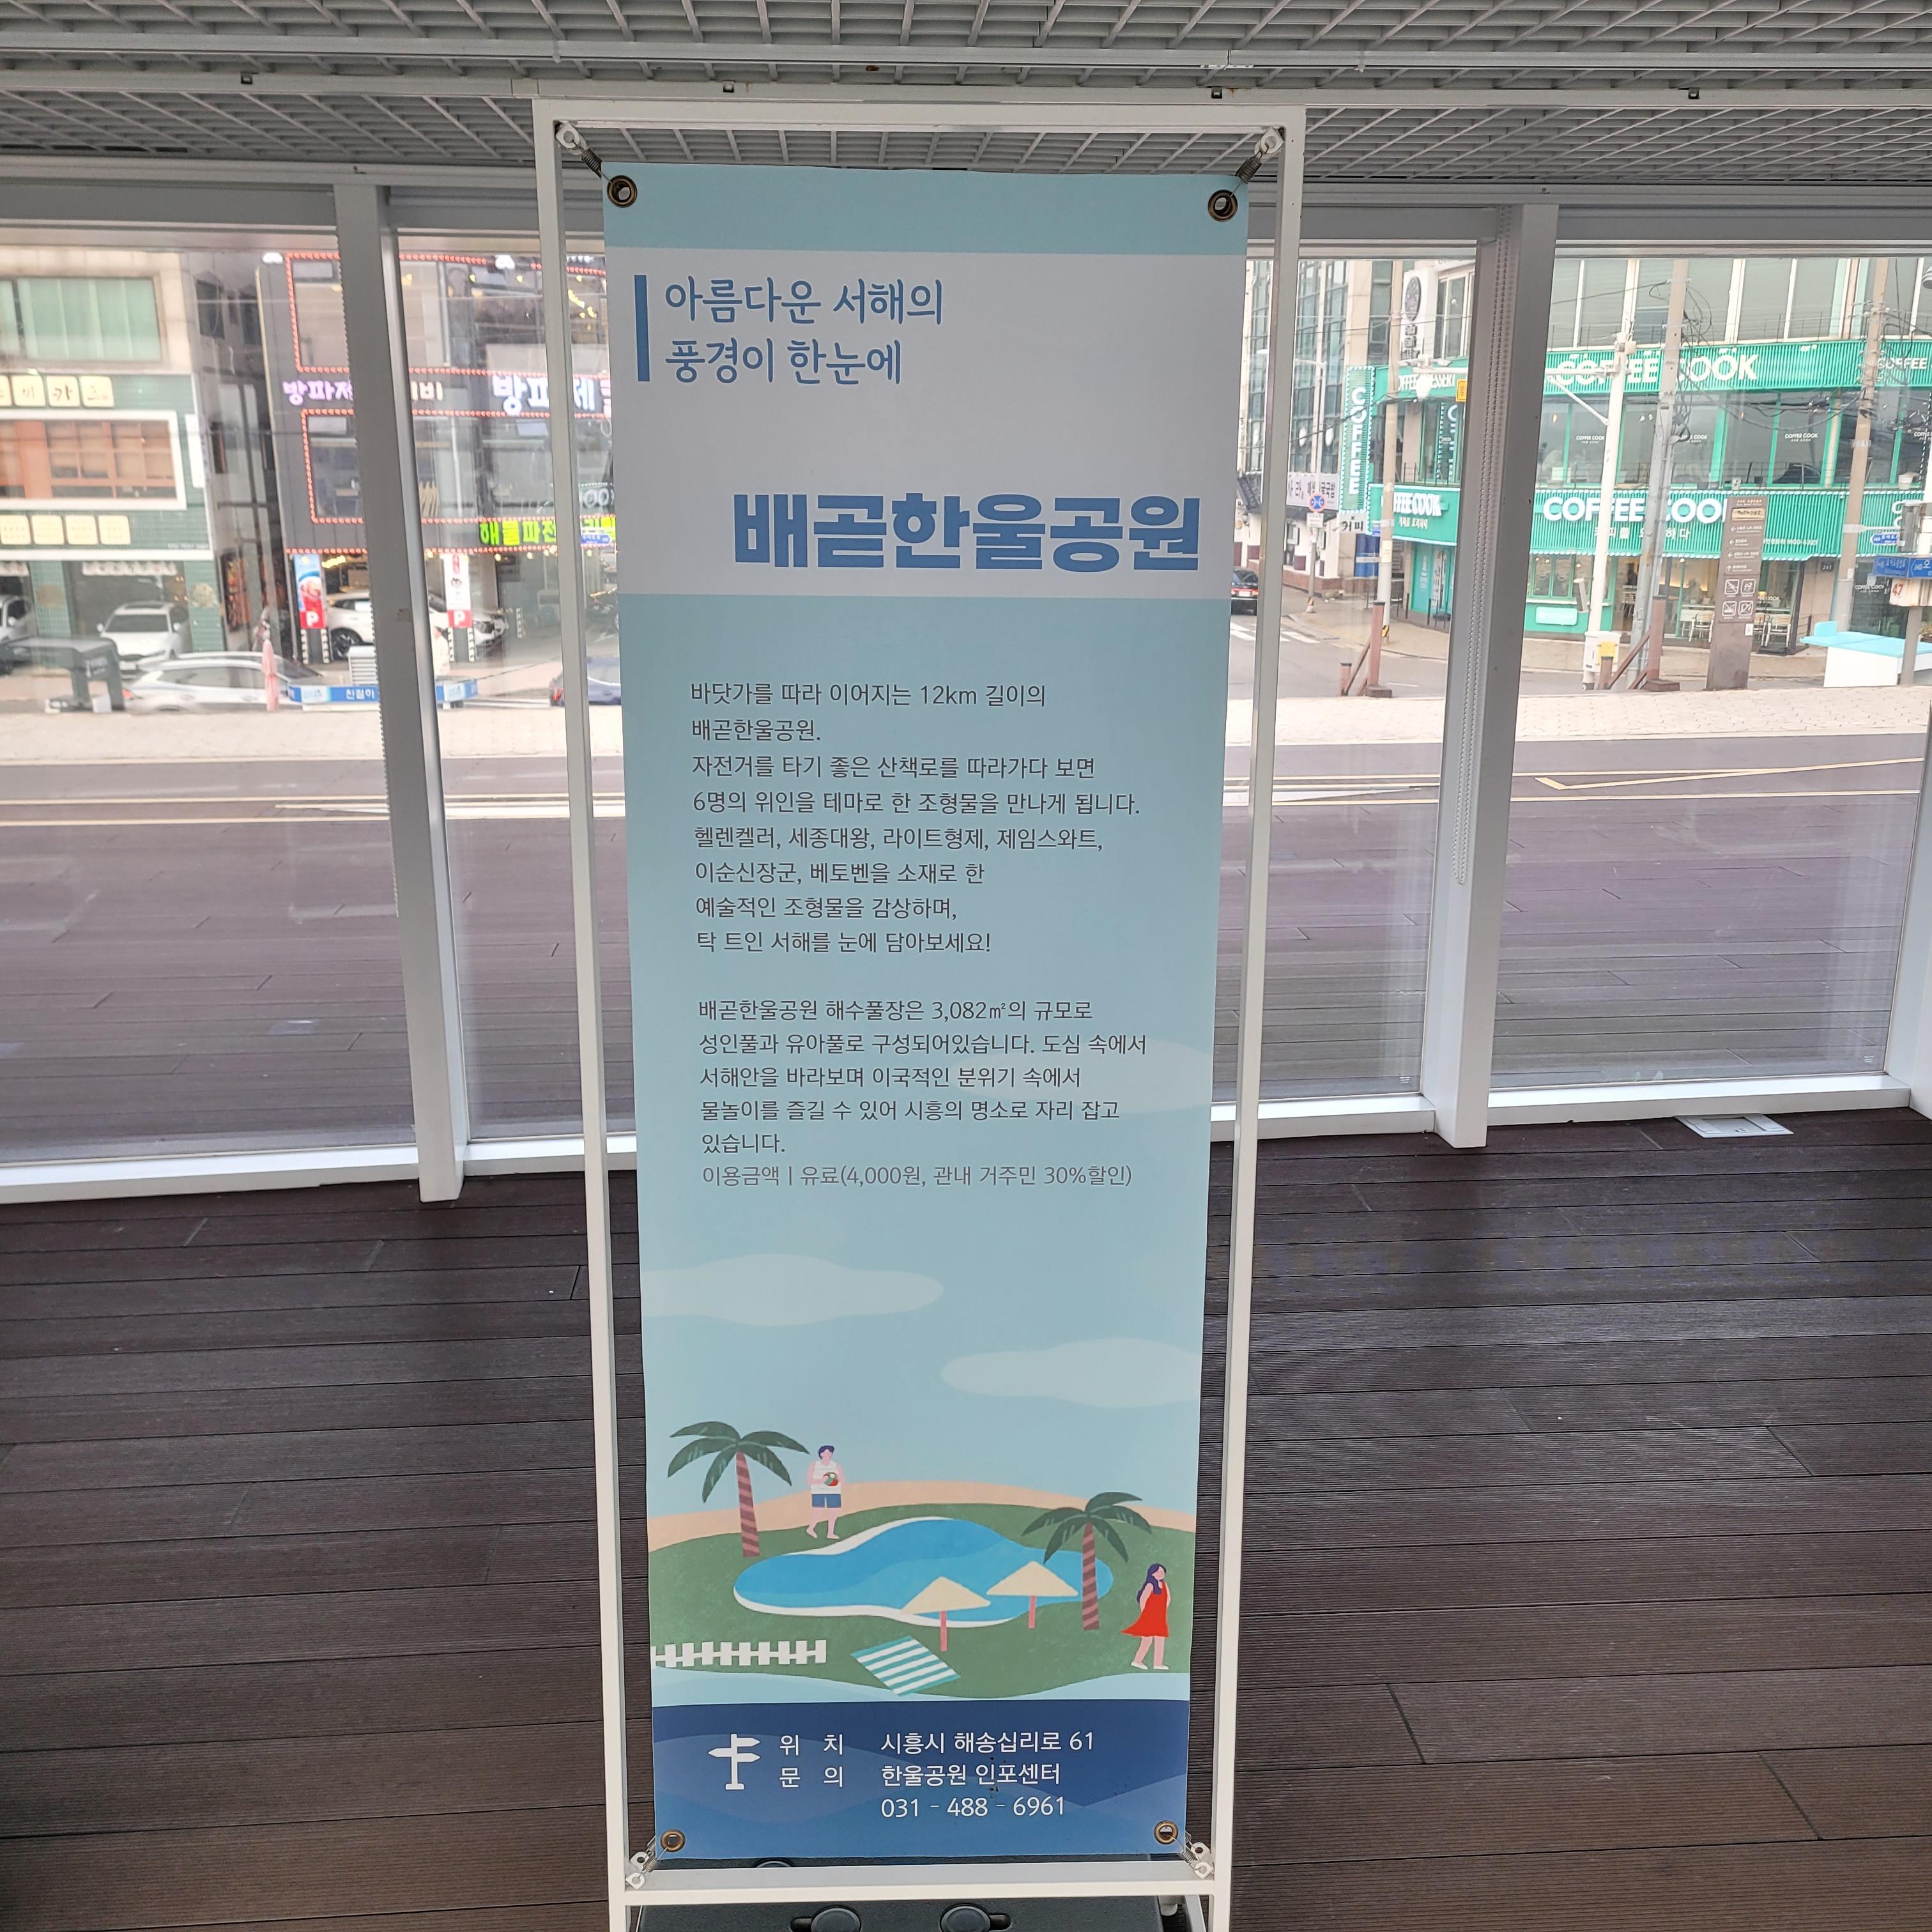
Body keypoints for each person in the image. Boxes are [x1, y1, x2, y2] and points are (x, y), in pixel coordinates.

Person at [1123, 1562, 1169, 1669]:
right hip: (1150, 1616)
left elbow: (1168, 1599)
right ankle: (1137, 1661)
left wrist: (1163, 1610)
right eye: (1158, 1572)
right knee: (1147, 1640)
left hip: (1160, 1617)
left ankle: (1158, 1663)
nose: (1160, 1574)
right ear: (1152, 1574)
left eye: (1162, 1572)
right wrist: (1145, 1613)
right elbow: (1143, 1599)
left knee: (1160, 1639)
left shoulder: (1164, 1585)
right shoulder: (1150, 1585)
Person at [805, 1444, 844, 1540]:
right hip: (818, 1491)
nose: (827, 1455)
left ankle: (830, 1533)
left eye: (830, 1453)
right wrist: (821, 1481)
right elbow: (809, 1481)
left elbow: (842, 1479)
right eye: (825, 1453)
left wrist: (834, 1480)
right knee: (818, 1511)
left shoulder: (836, 1465)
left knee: (834, 1512)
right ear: (821, 1454)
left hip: (834, 1491)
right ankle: (811, 1529)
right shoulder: (814, 1465)